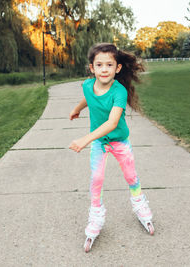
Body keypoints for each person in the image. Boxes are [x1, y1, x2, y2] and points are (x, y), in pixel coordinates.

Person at [69, 43, 154, 252]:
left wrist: (85, 139)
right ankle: (96, 216)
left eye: (109, 65)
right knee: (96, 179)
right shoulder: (88, 86)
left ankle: (140, 205)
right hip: (100, 144)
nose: (104, 69)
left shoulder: (119, 91)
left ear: (117, 68)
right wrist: (77, 109)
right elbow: (87, 97)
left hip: (119, 142)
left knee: (131, 176)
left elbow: (112, 123)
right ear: (92, 68)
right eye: (99, 65)